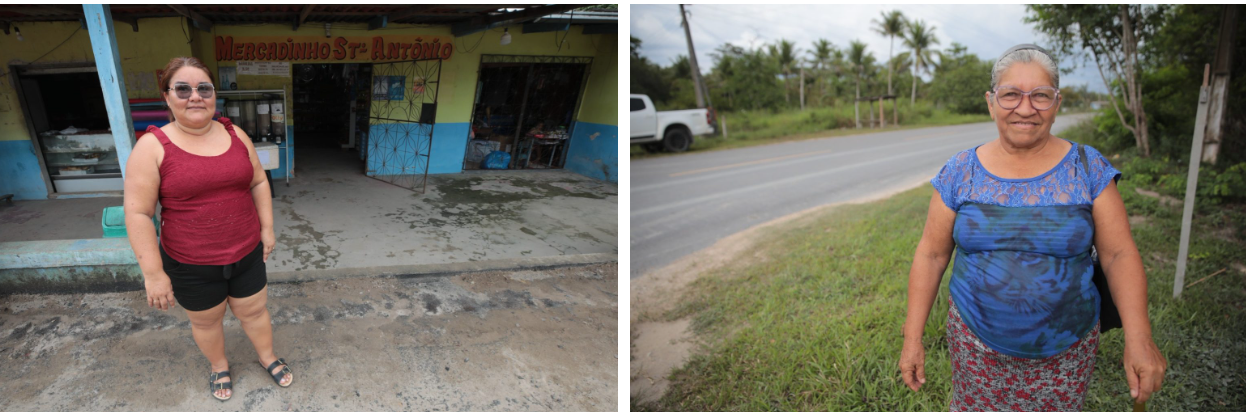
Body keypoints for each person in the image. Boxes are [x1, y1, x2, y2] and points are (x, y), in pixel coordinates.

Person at [897, 44, 1166, 411]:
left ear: (1057, 103)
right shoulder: (959, 171)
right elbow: (931, 254)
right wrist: (912, 338)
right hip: (975, 347)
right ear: (991, 102)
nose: (1025, 108)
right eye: (1010, 95)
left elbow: (1118, 254)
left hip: (1066, 352)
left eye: (1040, 95)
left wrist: (1140, 337)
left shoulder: (1089, 169)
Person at [124, 57, 293, 402]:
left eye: (203, 88)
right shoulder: (152, 147)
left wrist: (268, 228)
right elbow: (139, 213)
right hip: (190, 263)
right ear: (168, 97)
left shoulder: (236, 133)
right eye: (183, 89)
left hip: (246, 252)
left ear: (214, 94)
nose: (195, 96)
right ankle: (219, 365)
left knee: (255, 311)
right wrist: (153, 273)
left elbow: (259, 181)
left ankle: (267, 356)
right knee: (205, 321)